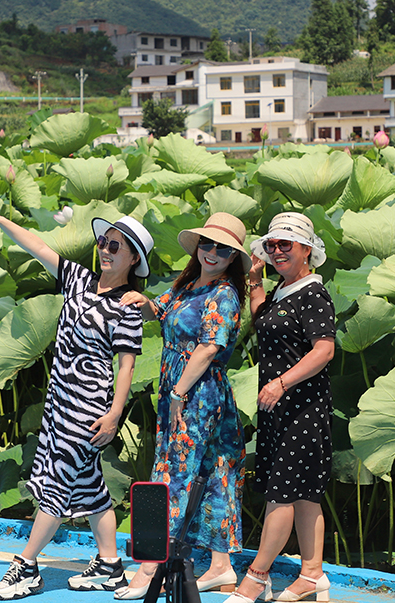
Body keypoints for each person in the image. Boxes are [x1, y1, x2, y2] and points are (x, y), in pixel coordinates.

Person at [0, 198, 155, 600]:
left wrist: (114, 413)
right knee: (88, 485)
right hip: (60, 400)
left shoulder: (127, 307)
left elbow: (126, 366)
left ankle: (27, 566)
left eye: (116, 246)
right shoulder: (78, 279)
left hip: (90, 404)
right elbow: (37, 246)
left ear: (133, 259)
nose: (105, 250)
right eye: (104, 241)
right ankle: (110, 565)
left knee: (56, 481)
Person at [117, 212, 250, 599]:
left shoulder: (224, 294)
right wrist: (142, 300)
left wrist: (178, 392)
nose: (212, 252)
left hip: (197, 395)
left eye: (222, 249)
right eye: (207, 244)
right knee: (215, 473)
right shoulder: (189, 284)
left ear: (232, 258)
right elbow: (161, 311)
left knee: (172, 472)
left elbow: (209, 347)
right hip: (184, 391)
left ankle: (149, 567)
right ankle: (222, 568)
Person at [223, 212, 336, 603]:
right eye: (271, 245)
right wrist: (255, 280)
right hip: (280, 409)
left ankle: (256, 577)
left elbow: (324, 349)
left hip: (302, 407)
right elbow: (261, 318)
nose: (276, 251)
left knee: (281, 493)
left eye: (285, 245)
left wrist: (282, 381)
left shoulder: (313, 294)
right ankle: (312, 574)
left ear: (307, 249)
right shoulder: (282, 292)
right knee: (304, 494)